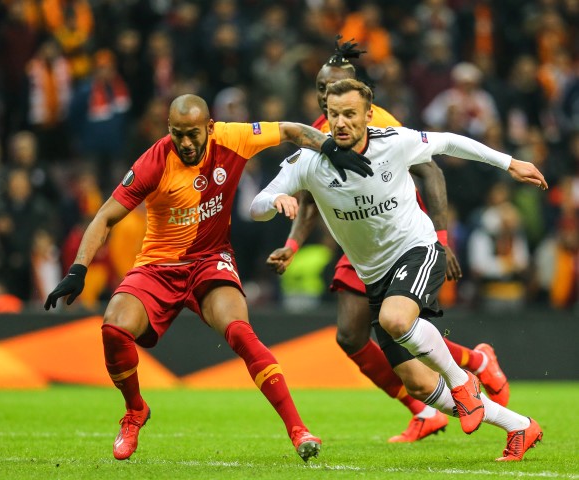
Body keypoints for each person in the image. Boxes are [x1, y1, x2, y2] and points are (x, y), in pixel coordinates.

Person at [44, 93, 370, 462]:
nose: (185, 142)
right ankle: (135, 411)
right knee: (113, 329)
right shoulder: (153, 161)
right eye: (178, 134)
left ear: (209, 128)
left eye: (193, 134)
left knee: (241, 333)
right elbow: (105, 217)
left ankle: (299, 429)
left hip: (210, 260)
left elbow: (292, 130)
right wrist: (78, 269)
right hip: (158, 266)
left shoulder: (233, 138)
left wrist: (331, 148)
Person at [250, 78, 547, 461]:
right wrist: (276, 199)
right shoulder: (309, 161)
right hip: (374, 275)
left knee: (395, 319)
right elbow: (256, 206)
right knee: (419, 385)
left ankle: (463, 381)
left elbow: (449, 142)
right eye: (334, 114)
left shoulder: (393, 142)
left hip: (417, 250)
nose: (341, 122)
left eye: (350, 114)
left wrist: (510, 163)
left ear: (368, 115)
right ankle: (519, 425)